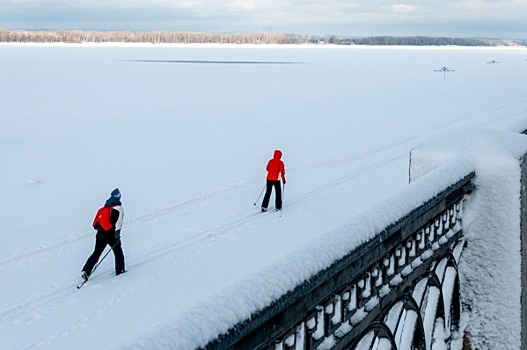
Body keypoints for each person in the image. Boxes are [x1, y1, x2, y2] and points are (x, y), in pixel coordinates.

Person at [82, 188, 125, 279]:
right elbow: (118, 223)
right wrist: (117, 236)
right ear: (119, 197)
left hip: (100, 234)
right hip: (111, 235)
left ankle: (86, 270)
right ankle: (120, 271)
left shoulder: (105, 207)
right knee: (118, 253)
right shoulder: (118, 208)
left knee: (96, 253)